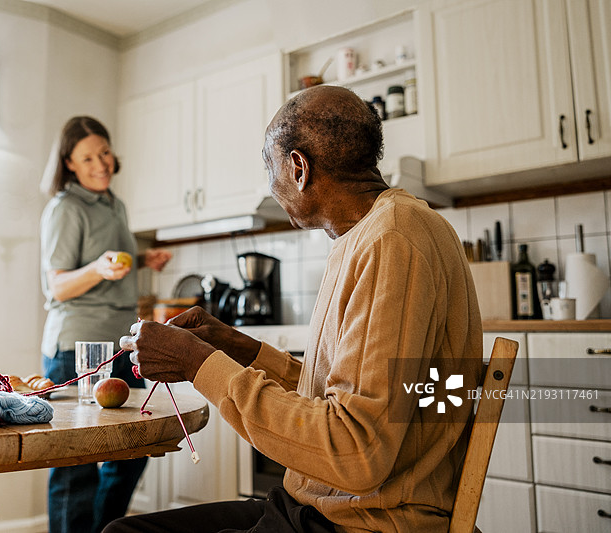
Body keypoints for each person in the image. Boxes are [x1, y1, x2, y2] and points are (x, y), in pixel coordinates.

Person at [110, 85, 483, 533]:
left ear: (298, 168)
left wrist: (197, 363)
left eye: (270, 168)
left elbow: (355, 452)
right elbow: (337, 399)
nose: (271, 187)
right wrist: (235, 346)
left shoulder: (391, 239)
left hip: (362, 522)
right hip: (318, 506)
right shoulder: (374, 232)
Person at [39, 116, 172, 533]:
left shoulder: (116, 204)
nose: (100, 164)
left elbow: (108, 260)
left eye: (104, 152)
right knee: (75, 467)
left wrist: (142, 259)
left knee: (131, 450)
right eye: (87, 158)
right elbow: (58, 285)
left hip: (122, 345)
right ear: (69, 163)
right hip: (77, 349)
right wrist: (98, 267)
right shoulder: (66, 208)